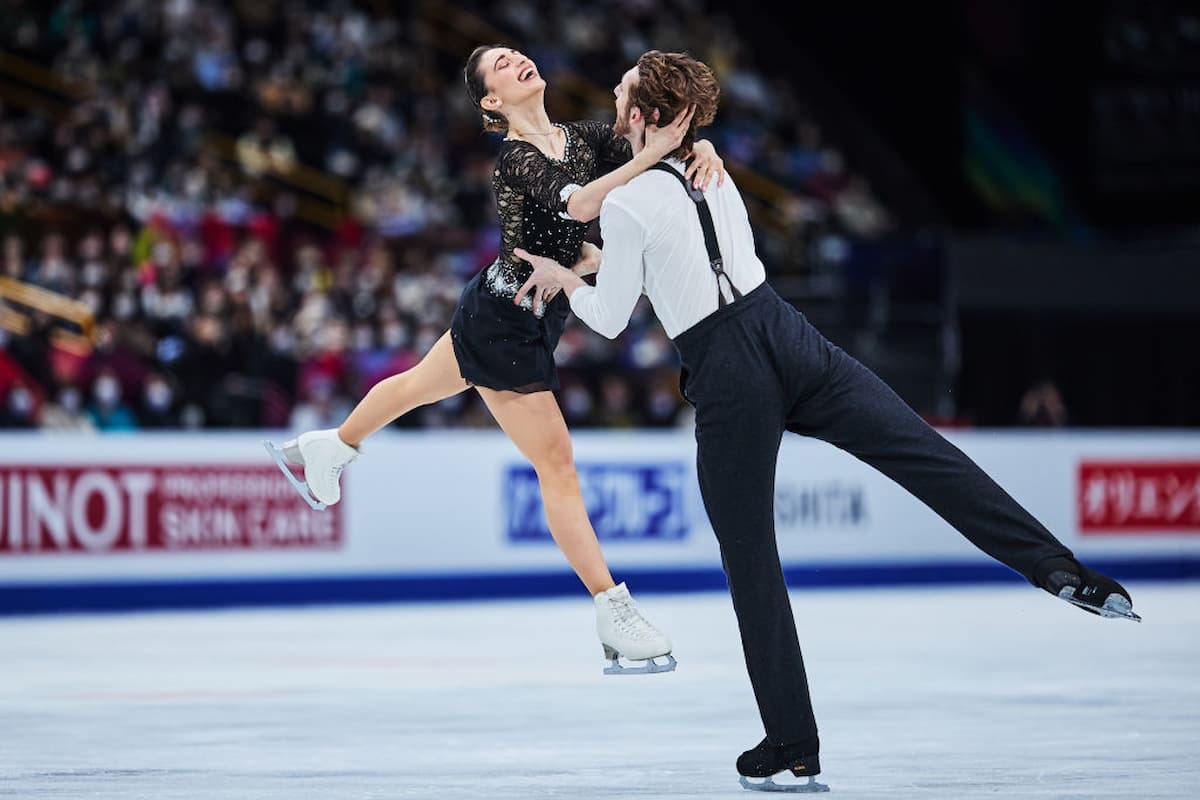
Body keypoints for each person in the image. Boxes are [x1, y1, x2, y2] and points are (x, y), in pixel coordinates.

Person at [511, 50, 1141, 792]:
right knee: (921, 452)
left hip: (726, 369)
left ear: (645, 117)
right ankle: (1060, 569)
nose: (611, 104)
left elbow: (613, 319)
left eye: (620, 96)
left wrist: (565, 280)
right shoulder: (708, 169)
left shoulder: (625, 201)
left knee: (751, 561)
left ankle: (793, 741)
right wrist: (614, 241)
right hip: (788, 334)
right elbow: (669, 236)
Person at [268, 44, 727, 675]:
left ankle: (330, 447)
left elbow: (660, 161)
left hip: (519, 310)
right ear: (491, 100)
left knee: (411, 388)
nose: (519, 62)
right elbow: (579, 205)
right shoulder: (514, 159)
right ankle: (611, 608)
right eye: (502, 65)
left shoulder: (586, 137)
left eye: (518, 54)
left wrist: (699, 148)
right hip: (506, 323)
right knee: (557, 464)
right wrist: (649, 159)